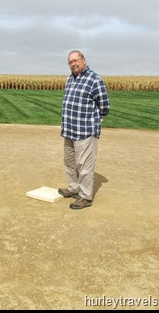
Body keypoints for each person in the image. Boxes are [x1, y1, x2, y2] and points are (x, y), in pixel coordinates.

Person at [58, 50, 110, 209]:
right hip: (69, 130)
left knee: (85, 166)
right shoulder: (70, 79)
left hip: (85, 131)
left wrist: (93, 121)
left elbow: (105, 106)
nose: (73, 63)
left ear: (83, 60)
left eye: (76, 60)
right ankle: (74, 189)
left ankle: (86, 197)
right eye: (70, 62)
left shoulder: (94, 79)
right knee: (70, 163)